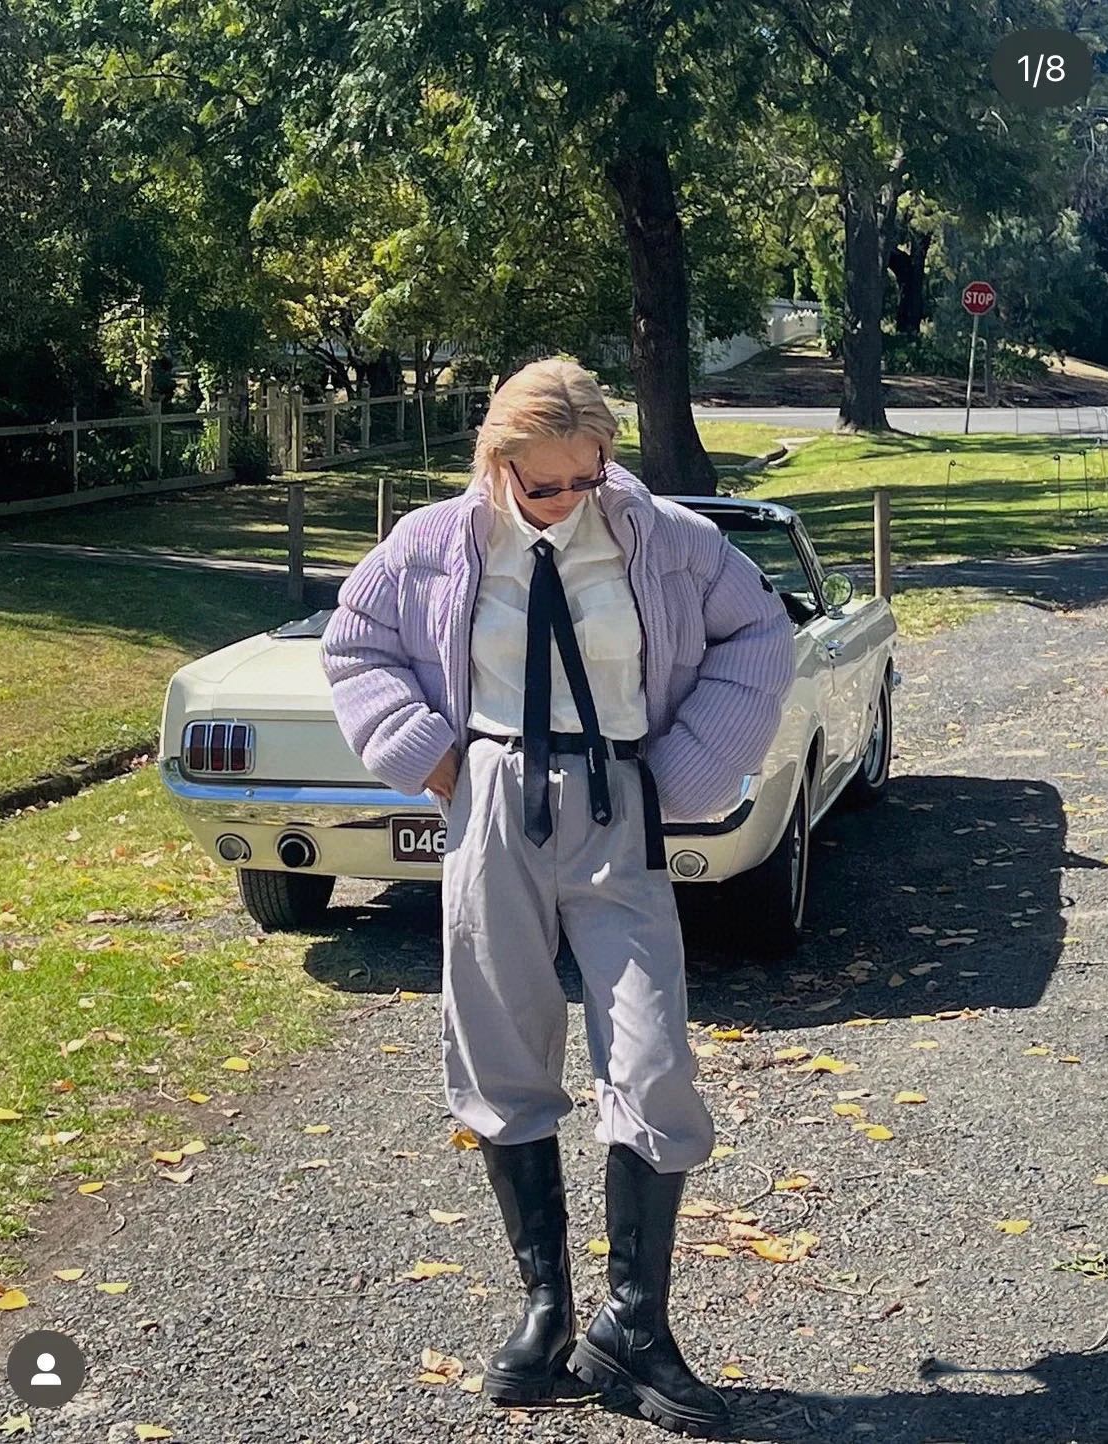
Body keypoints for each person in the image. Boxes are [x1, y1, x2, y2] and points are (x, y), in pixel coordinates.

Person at [319, 358, 796, 1435]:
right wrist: (426, 751)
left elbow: (760, 632)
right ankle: (546, 1315)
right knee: (500, 1045)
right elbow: (356, 642)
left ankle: (634, 1324)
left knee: (653, 1055)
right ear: (497, 463)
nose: (570, 499)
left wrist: (690, 766)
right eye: (545, 485)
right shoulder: (434, 545)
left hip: (618, 801)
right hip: (493, 797)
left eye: (589, 476)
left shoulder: (664, 538)